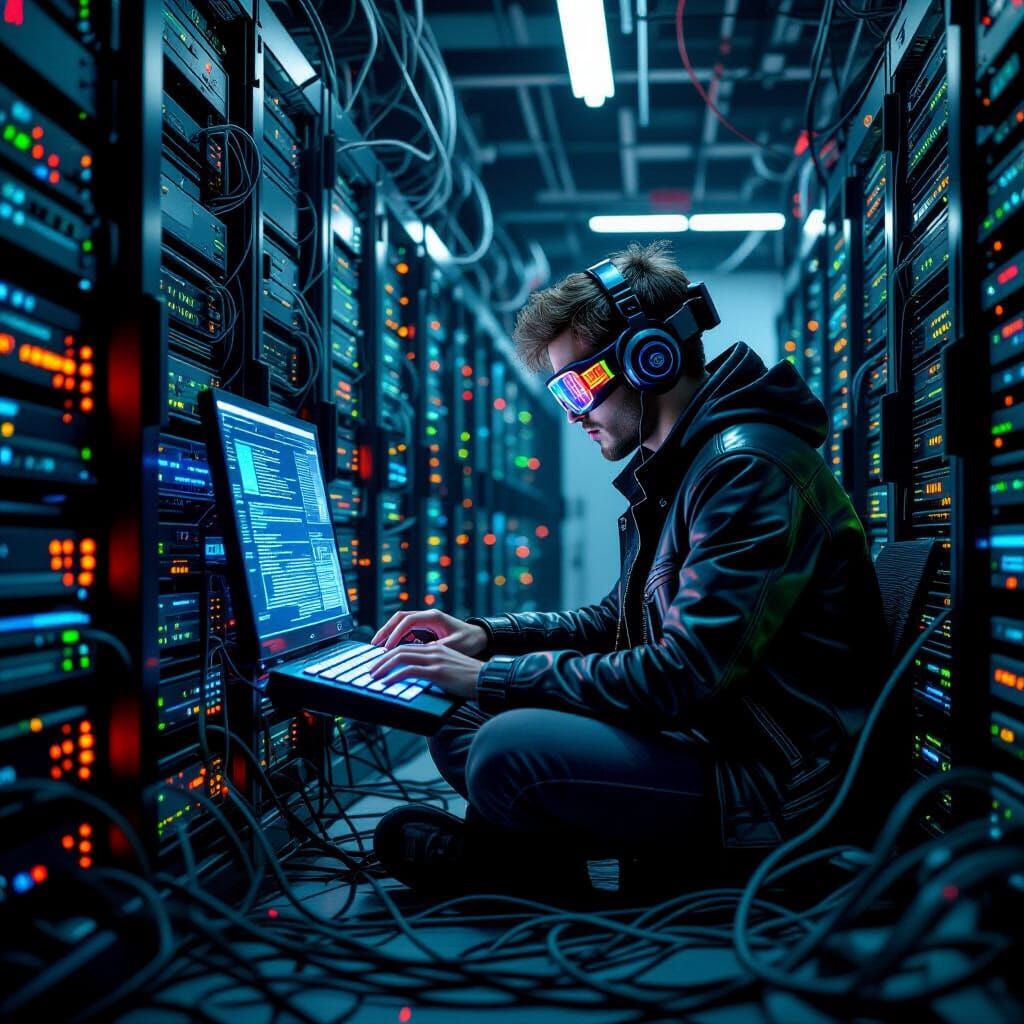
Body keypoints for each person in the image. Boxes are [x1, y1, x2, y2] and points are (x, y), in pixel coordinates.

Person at [365, 240, 886, 900]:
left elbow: (684, 673)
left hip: (769, 785)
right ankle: (516, 857)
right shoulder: (686, 469)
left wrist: (495, 679)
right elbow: (613, 619)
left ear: (650, 358)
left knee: (505, 748)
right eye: (560, 391)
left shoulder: (745, 470)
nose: (573, 410)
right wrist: (485, 639)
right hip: (709, 739)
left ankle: (511, 861)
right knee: (454, 716)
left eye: (577, 383)